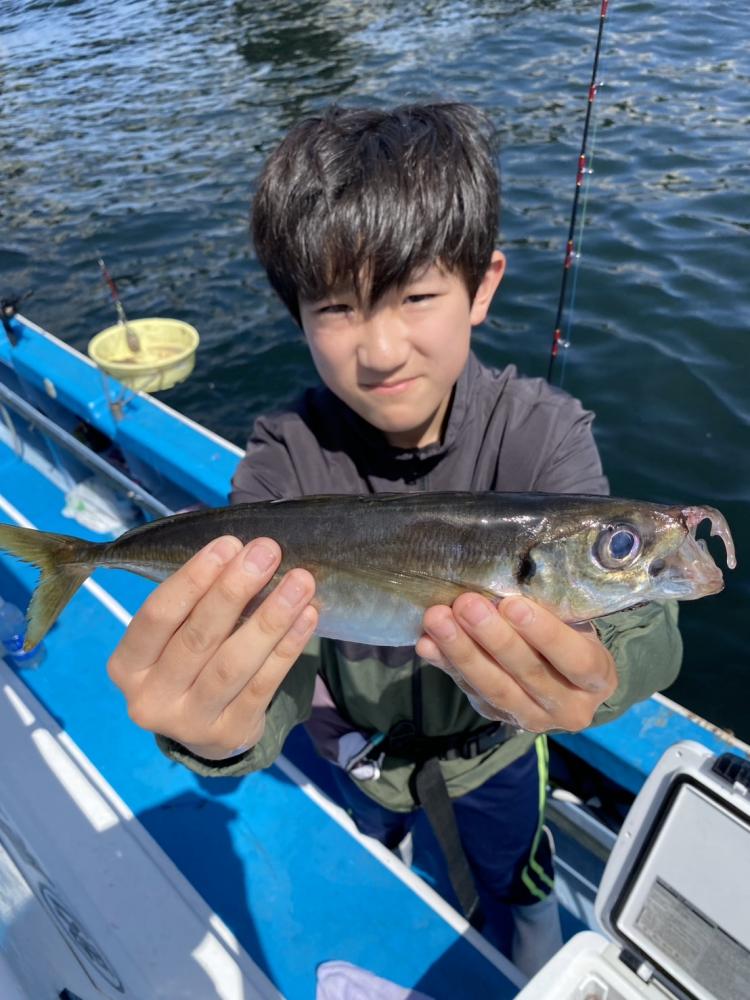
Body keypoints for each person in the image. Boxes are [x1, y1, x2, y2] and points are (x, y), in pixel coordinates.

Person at [107, 103, 682, 975]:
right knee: (385, 854)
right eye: (336, 306)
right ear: (295, 314)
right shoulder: (282, 458)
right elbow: (274, 685)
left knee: (519, 887)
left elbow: (647, 630)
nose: (379, 349)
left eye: (415, 296)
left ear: (483, 285)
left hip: (497, 756)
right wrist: (216, 735)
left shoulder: (545, 432)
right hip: (360, 758)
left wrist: (603, 677)